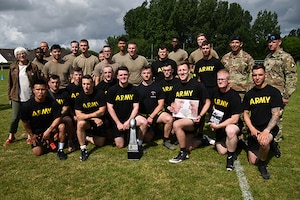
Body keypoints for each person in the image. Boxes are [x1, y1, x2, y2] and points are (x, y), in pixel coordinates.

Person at [243, 64, 283, 179]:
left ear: (265, 75)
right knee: (252, 161)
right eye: (254, 75)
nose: (257, 78)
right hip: (255, 128)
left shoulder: (273, 92)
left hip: (268, 128)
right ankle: (270, 146)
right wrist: (252, 129)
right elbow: (245, 113)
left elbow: (276, 114)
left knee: (264, 142)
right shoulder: (249, 94)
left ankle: (262, 165)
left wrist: (266, 131)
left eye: (260, 75)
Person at [168, 61, 210, 163]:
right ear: (177, 73)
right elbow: (173, 103)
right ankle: (202, 140)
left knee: (176, 125)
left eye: (184, 70)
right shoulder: (176, 86)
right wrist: (172, 108)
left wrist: (200, 115)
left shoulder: (198, 85)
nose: (182, 72)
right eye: (180, 70)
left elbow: (207, 102)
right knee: (189, 146)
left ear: (189, 71)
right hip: (181, 117)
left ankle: (183, 154)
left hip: (193, 120)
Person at [20, 79, 67, 160]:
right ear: (33, 91)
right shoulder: (27, 106)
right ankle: (45, 142)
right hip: (37, 132)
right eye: (38, 89)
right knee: (37, 152)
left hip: (51, 129)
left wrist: (49, 130)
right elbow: (24, 122)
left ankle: (60, 149)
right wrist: (31, 135)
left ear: (46, 90)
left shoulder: (53, 103)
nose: (40, 92)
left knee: (62, 126)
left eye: (43, 89)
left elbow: (58, 117)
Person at [264, 33, 297, 145]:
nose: (271, 44)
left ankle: (276, 142)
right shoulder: (268, 57)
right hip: (266, 93)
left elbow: (291, 78)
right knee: (267, 116)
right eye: (269, 42)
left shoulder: (286, 57)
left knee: (277, 117)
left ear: (279, 42)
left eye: (273, 42)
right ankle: (268, 138)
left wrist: (286, 96)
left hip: (278, 94)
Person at [4, 47, 41, 146]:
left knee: (30, 118)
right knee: (14, 118)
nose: (22, 55)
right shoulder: (13, 67)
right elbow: (10, 84)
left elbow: (37, 81)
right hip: (16, 97)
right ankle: (11, 135)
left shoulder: (33, 66)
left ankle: (30, 135)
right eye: (19, 54)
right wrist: (9, 97)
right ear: (16, 56)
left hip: (29, 96)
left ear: (26, 54)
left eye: (23, 53)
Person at [207, 69, 243, 171]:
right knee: (222, 151)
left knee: (230, 130)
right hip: (220, 124)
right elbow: (213, 106)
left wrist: (218, 126)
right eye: (218, 79)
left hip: (232, 124)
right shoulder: (215, 91)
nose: (220, 81)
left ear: (228, 81)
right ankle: (238, 142)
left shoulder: (234, 96)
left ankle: (230, 158)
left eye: (223, 79)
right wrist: (213, 121)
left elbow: (235, 118)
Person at [136, 65, 175, 150]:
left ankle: (166, 140)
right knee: (148, 138)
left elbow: (161, 105)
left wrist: (151, 117)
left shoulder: (157, 86)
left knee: (169, 119)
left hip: (155, 115)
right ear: (141, 74)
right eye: (144, 73)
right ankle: (139, 144)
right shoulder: (137, 89)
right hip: (142, 115)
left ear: (152, 74)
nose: (146, 75)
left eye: (148, 73)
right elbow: (136, 107)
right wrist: (144, 119)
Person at [106, 66, 140, 148]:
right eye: (121, 75)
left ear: (129, 75)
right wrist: (118, 123)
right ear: (117, 76)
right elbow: (110, 108)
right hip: (117, 120)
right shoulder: (112, 90)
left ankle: (139, 142)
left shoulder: (134, 89)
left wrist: (129, 121)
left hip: (130, 119)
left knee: (143, 125)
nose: (123, 77)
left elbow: (136, 107)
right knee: (120, 145)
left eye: (125, 74)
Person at [75, 75, 106, 161]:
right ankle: (83, 149)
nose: (86, 87)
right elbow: (78, 116)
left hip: (100, 121)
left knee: (101, 143)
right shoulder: (79, 98)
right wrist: (94, 118)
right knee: (80, 123)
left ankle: (86, 137)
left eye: (88, 84)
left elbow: (102, 111)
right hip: (88, 122)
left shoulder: (99, 93)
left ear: (92, 84)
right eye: (84, 84)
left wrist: (89, 116)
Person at [47, 75, 76, 152]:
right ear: (49, 83)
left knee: (68, 120)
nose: (55, 84)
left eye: (57, 82)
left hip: (61, 117)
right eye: (53, 82)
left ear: (59, 83)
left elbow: (65, 108)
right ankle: (50, 140)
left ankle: (70, 140)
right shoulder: (46, 95)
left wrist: (58, 117)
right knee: (38, 151)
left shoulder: (64, 93)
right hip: (48, 118)